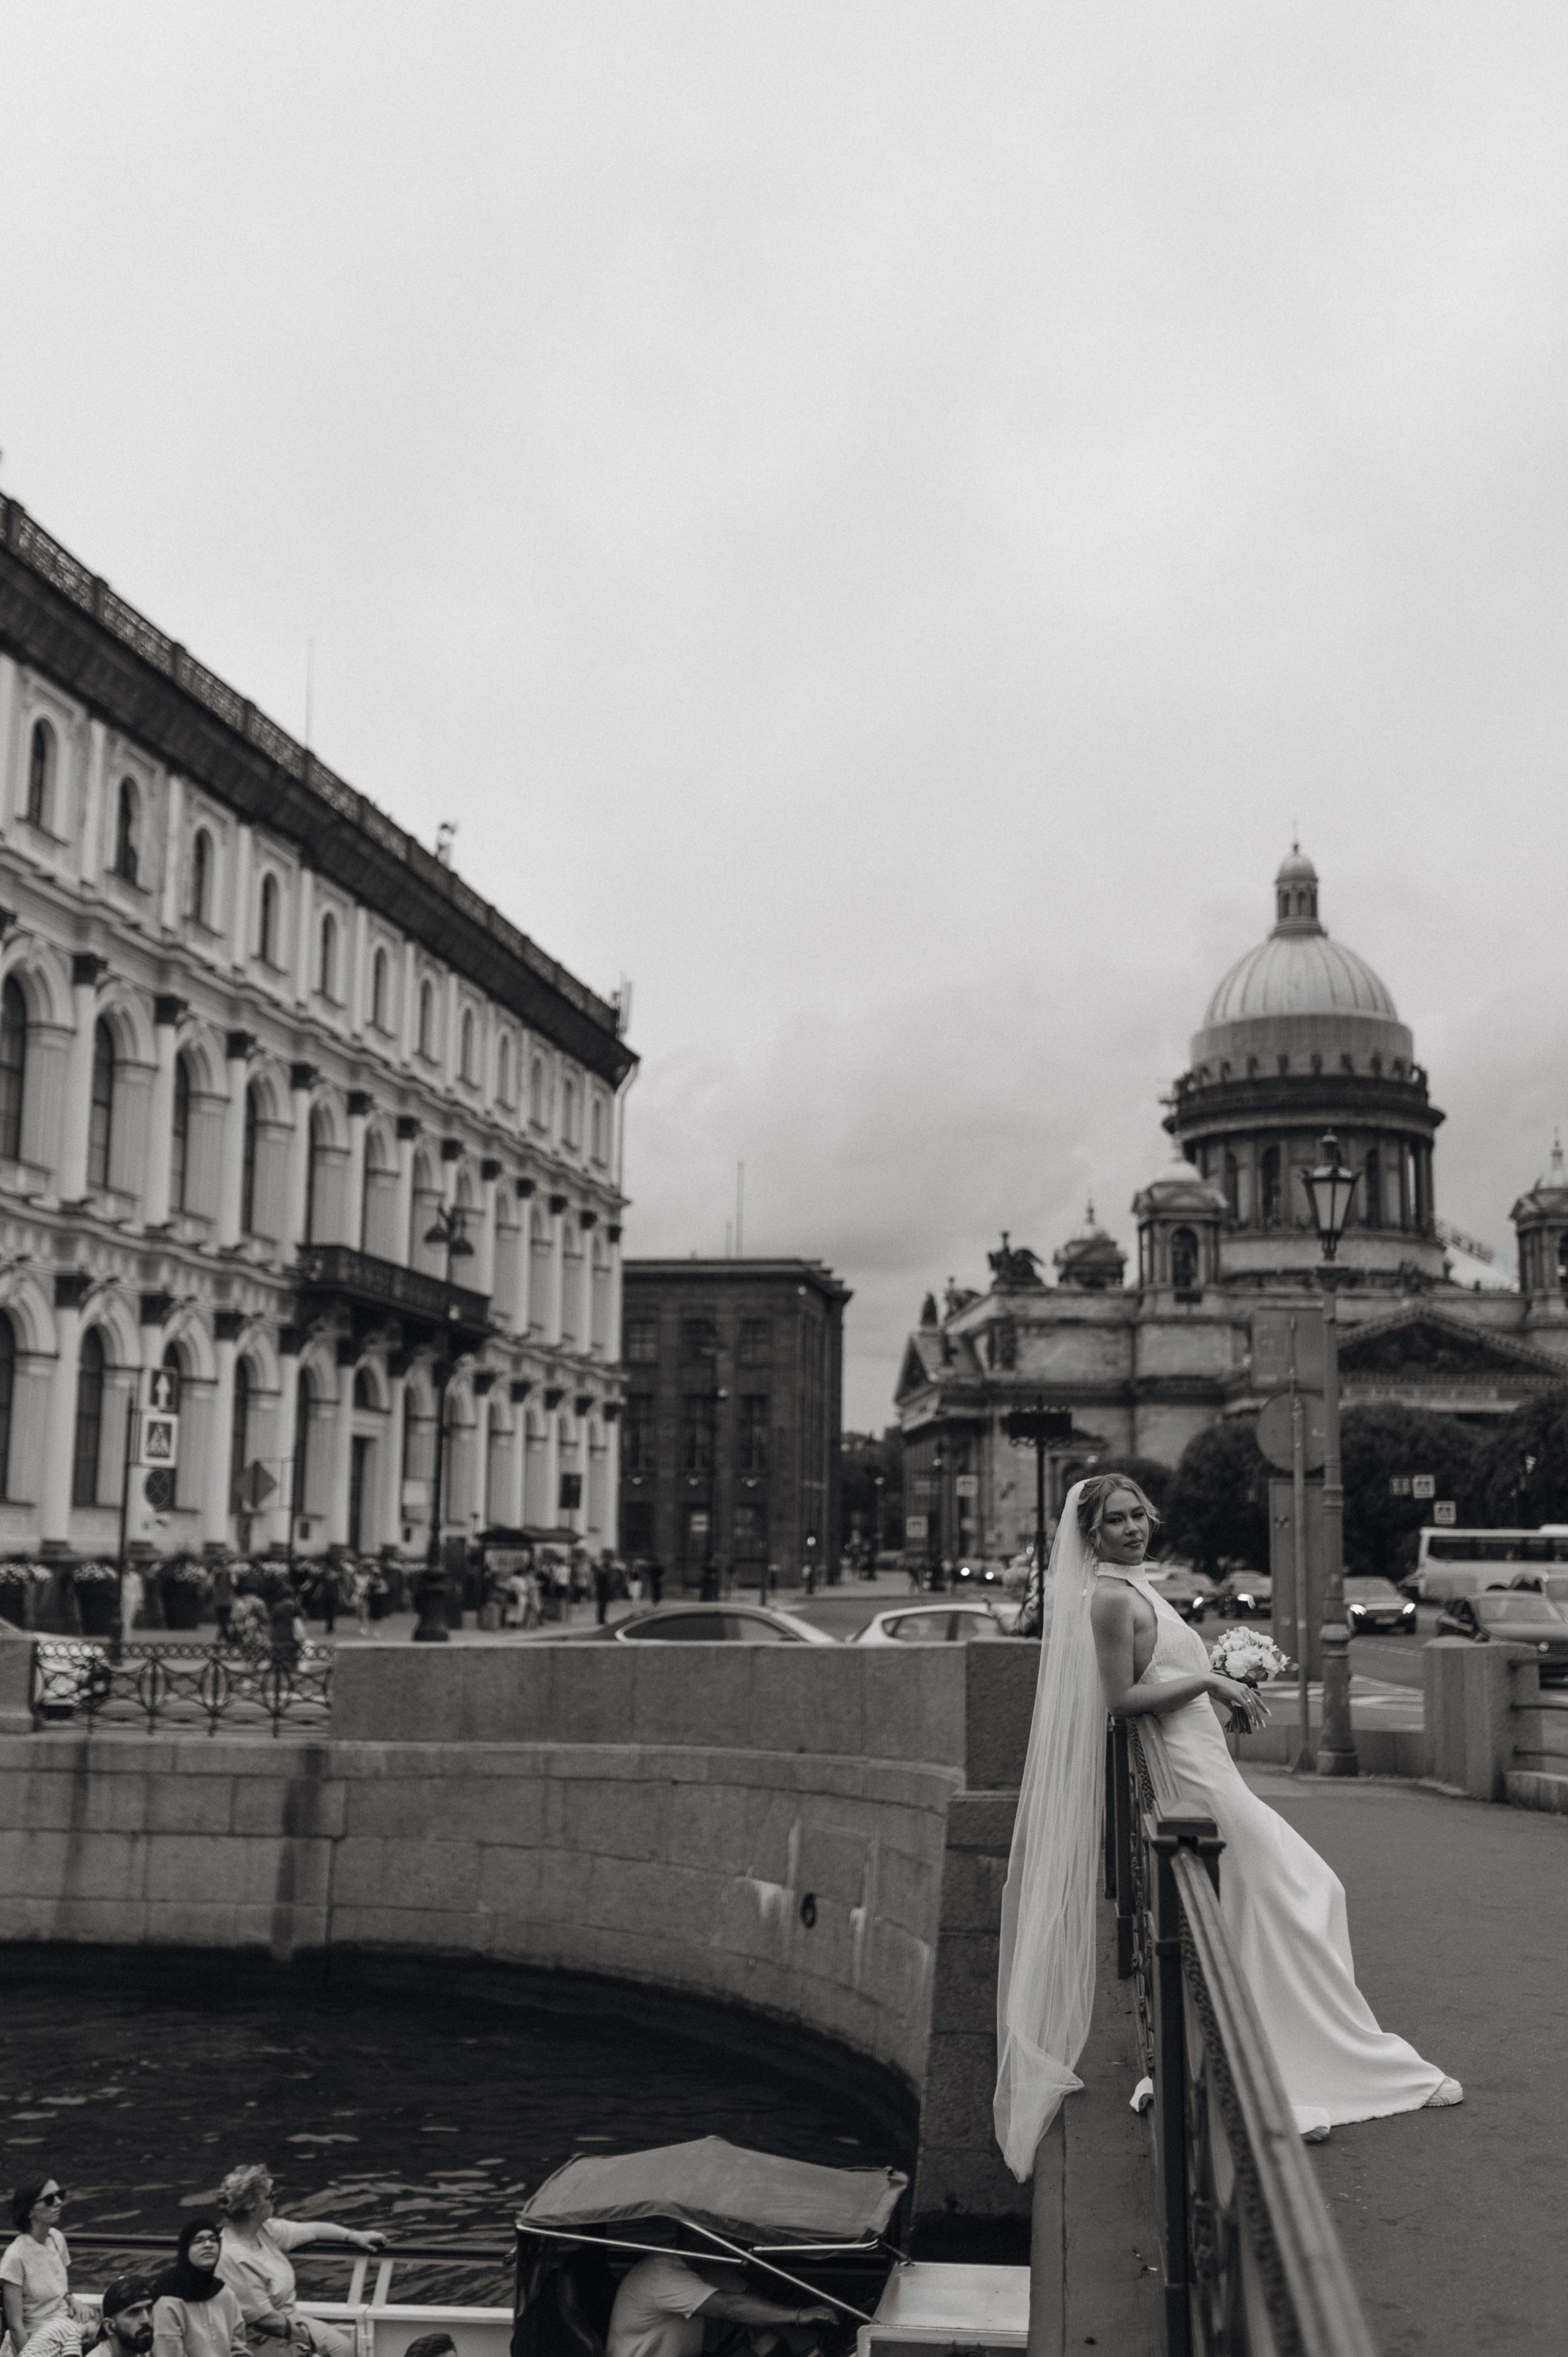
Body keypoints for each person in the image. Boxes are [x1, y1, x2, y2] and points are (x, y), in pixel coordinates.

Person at [994, 1475, 1461, 2185]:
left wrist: (1223, 1687)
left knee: (1272, 1903)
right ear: (1089, 1534)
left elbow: (1163, 1676)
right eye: (1114, 1520)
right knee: (1300, 1890)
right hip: (1190, 1780)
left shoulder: (1139, 1586)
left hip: (1206, 1762)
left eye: (1138, 1516)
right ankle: (1300, 2064)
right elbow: (1121, 1700)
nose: (1131, 1528)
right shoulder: (1110, 1600)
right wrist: (1210, 1684)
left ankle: (1249, 2057)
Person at [214, 2165, 385, 2357]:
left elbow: (313, 2230)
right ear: (252, 2206)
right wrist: (308, 2342)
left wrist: (353, 2236)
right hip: (259, 2339)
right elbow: (266, 2321)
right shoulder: (232, 2258)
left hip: (289, 2320)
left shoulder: (265, 2231)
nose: (274, 2201)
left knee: (343, 2349)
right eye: (270, 2196)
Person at [606, 2246, 834, 2357]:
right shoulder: (661, 2274)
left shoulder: (708, 2266)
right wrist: (799, 2315)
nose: (728, 2242)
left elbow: (750, 2310)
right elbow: (734, 2309)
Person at [151, 2221, 246, 2357]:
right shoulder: (168, 2300)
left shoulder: (225, 2294)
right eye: (198, 2241)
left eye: (213, 2240)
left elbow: (239, 2348)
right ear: (186, 2249)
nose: (208, 2245)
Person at [1, 2178, 69, 2355]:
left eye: (60, 2195)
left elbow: (60, 2290)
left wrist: (72, 2300)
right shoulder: (15, 2257)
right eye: (49, 2199)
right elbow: (16, 2326)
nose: (58, 2202)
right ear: (30, 2210)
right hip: (36, 2340)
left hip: (64, 2327)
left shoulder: (57, 2239)